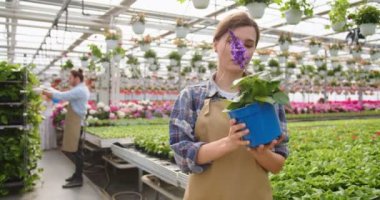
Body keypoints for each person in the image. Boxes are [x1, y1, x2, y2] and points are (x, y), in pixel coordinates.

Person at [169, 12, 289, 200]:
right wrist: (229, 143)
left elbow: (278, 164)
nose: (239, 49)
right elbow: (182, 156)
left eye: (248, 44)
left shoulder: (266, 97)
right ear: (215, 44)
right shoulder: (192, 96)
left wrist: (261, 152)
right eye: (232, 41)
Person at [43, 68, 90, 189]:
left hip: (77, 123)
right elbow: (61, 96)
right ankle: (76, 174)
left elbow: (63, 96)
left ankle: (79, 178)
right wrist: (50, 91)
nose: (69, 80)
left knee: (77, 151)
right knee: (75, 150)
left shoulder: (80, 90)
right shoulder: (78, 89)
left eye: (70, 78)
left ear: (77, 78)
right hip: (75, 122)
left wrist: (48, 92)